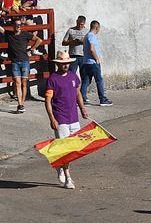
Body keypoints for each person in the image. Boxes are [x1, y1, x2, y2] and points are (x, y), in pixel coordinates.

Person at [45, 51, 89, 189]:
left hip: (73, 117)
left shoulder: (73, 76)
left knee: (75, 148)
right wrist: (52, 118)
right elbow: (47, 100)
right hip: (60, 117)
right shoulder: (53, 79)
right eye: (62, 63)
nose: (65, 66)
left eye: (67, 63)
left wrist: (82, 109)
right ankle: (68, 178)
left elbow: (78, 93)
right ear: (58, 64)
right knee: (66, 150)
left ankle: (59, 165)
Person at [4, 17, 43, 113]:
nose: (18, 27)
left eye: (20, 25)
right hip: (15, 62)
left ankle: (22, 103)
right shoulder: (9, 34)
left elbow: (39, 40)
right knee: (17, 83)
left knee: (24, 83)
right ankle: (20, 104)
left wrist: (31, 49)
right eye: (17, 25)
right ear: (13, 26)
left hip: (25, 61)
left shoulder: (25, 34)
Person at [80, 20, 113, 106]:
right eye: (99, 28)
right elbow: (91, 48)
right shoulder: (92, 36)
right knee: (99, 80)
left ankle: (81, 98)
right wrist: (96, 58)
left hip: (86, 62)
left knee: (86, 81)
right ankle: (102, 99)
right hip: (93, 63)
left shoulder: (87, 36)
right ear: (96, 27)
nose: (99, 30)